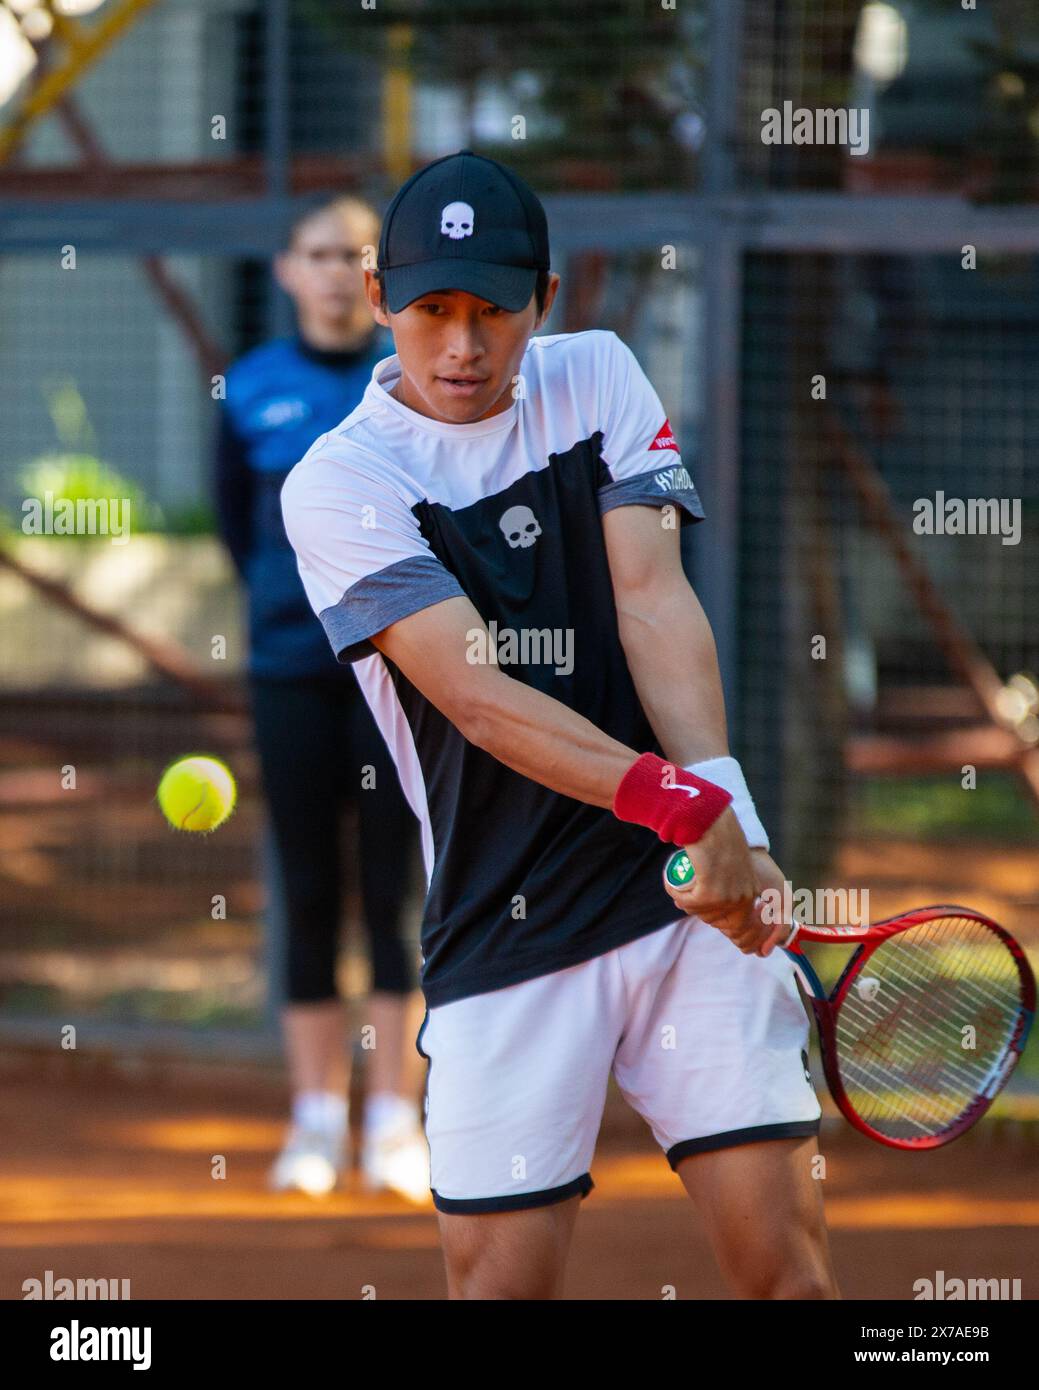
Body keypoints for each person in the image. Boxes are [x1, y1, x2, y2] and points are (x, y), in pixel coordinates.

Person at [281, 151, 839, 1297]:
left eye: (493, 311)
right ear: (380, 297)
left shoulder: (598, 377)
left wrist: (725, 813)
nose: (463, 348)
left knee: (786, 1273)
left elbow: (652, 601)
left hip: (681, 909)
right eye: (432, 310)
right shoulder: (338, 485)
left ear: (546, 295)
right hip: (504, 927)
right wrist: (684, 804)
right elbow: (479, 696)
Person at [213, 195, 428, 1202]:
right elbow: (235, 525)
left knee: (393, 898)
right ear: (287, 270)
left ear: (379, 277)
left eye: (356, 256)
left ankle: (394, 1120)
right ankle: (313, 1121)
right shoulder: (249, 387)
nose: (338, 274)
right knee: (307, 893)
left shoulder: (415, 383)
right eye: (318, 255)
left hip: (397, 673)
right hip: (288, 673)